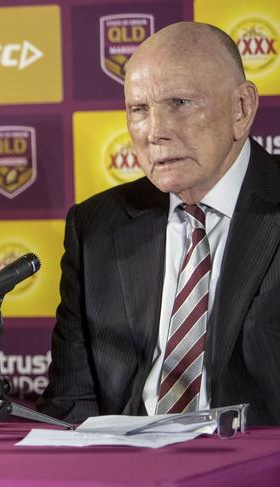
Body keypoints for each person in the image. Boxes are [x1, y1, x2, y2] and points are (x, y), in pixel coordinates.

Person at [38, 21, 280, 426]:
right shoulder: (96, 227)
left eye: (180, 103)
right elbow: (71, 404)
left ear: (242, 108)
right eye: (139, 110)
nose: (156, 131)